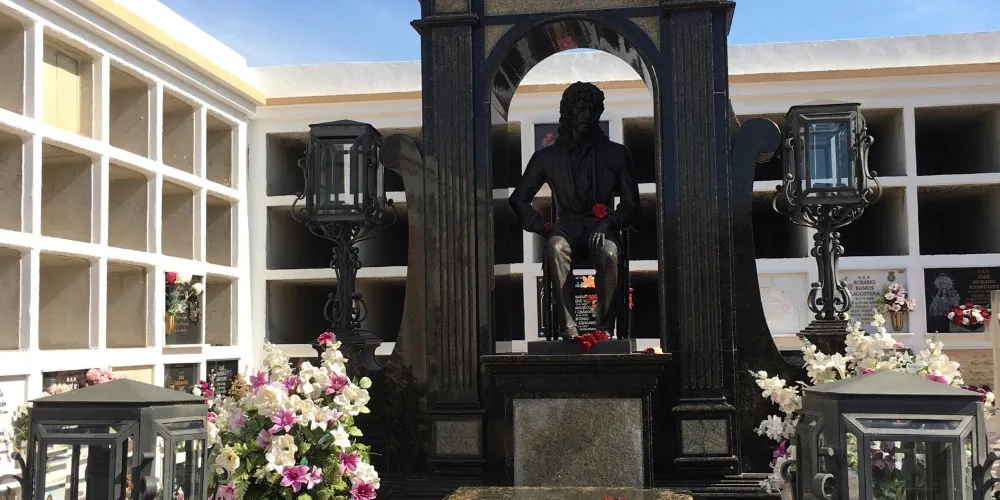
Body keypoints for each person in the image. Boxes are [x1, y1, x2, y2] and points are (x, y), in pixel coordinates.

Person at [509, 81, 639, 341]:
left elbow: (631, 203)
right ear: (568, 112)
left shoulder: (616, 154)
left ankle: (604, 329)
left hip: (601, 228)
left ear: (599, 113)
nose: (586, 116)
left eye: (592, 110)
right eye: (580, 109)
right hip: (566, 229)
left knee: (609, 252)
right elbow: (519, 199)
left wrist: (609, 222)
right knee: (555, 248)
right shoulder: (547, 157)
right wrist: (542, 227)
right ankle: (568, 328)